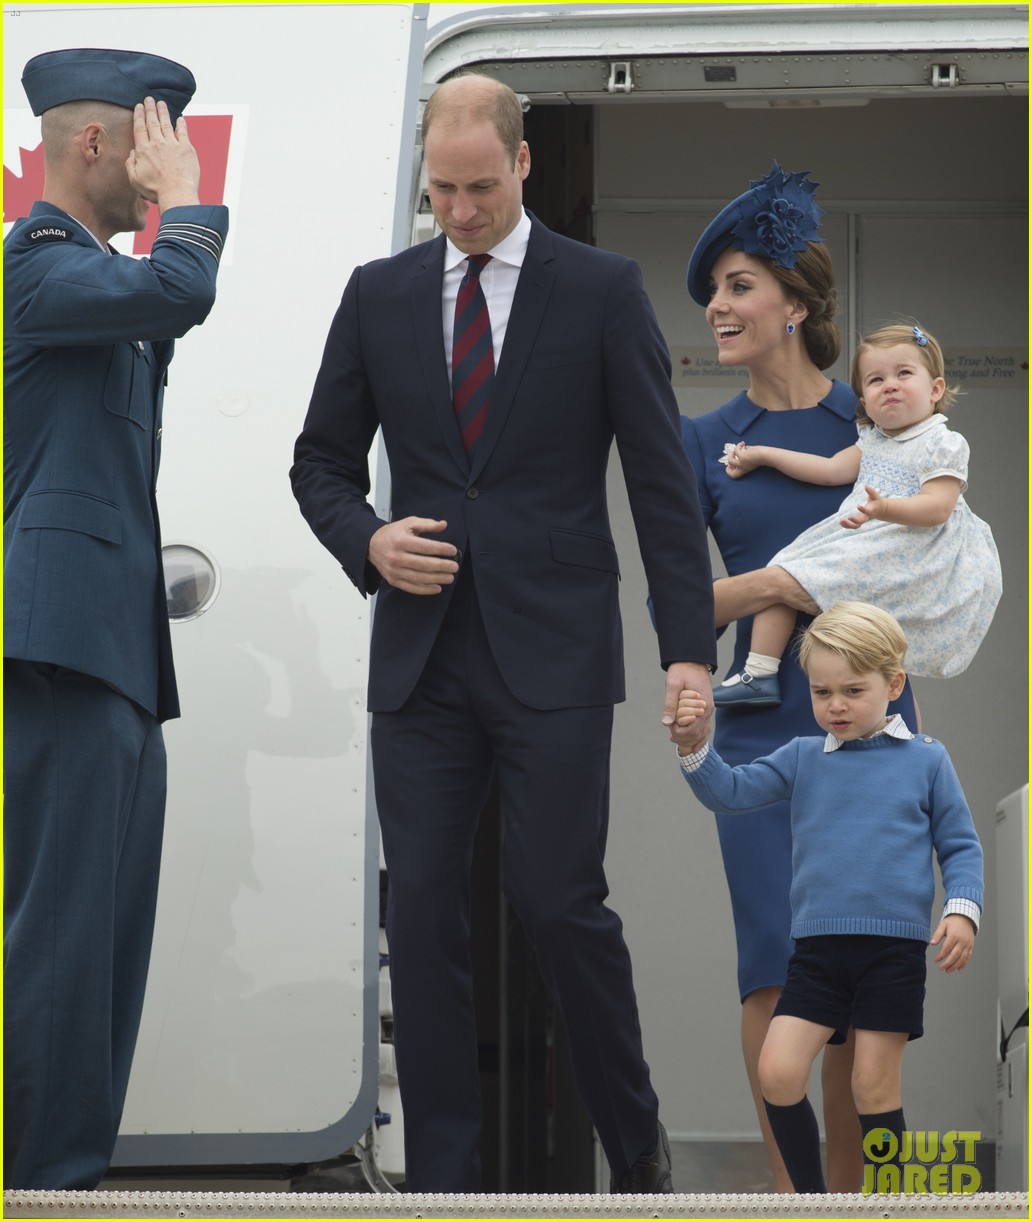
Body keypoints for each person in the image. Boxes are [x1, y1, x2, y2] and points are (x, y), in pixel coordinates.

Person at [290, 72, 717, 1193]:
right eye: (442, 190)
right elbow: (320, 463)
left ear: (522, 165)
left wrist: (687, 652)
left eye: (481, 187)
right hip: (423, 656)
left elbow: (664, 487)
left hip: (556, 650)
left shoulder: (602, 289)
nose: (463, 211)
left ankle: (637, 1148)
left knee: (555, 898)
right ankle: (447, 1179)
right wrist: (370, 543)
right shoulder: (378, 293)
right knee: (422, 902)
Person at [4, 48, 229, 1189]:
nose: (165, 163)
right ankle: (37, 1184)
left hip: (115, 655)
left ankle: (67, 1174)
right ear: (91, 142)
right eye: (150, 139)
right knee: (56, 940)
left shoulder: (90, 278)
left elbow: (164, 309)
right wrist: (185, 205)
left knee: (101, 946)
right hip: (55, 647)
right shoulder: (35, 266)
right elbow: (182, 287)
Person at [674, 161, 918, 1191]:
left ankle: (865, 1205)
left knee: (861, 972)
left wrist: (790, 581)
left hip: (874, 733)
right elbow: (678, 602)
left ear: (796, 305)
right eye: (715, 293)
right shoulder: (703, 442)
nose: (718, 308)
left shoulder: (877, 433)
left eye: (737, 287)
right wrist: (785, 581)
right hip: (759, 729)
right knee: (775, 959)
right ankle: (793, 1205)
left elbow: (920, 566)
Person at [671, 601, 984, 1193]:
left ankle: (886, 1202)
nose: (835, 705)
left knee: (872, 1086)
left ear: (894, 684)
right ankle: (811, 1204)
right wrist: (695, 746)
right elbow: (731, 793)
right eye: (821, 692)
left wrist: (962, 912)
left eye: (852, 690)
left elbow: (961, 847)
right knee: (778, 1072)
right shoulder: (801, 757)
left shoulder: (927, 760)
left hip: (891, 955)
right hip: (816, 953)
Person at [712, 322, 1001, 707]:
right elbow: (829, 469)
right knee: (788, 565)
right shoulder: (873, 440)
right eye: (876, 380)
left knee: (798, 585)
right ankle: (760, 672)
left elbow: (937, 508)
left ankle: (859, 699)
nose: (891, 385)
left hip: (906, 550)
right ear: (864, 401)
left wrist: (885, 508)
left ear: (935, 390)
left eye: (904, 373)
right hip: (863, 539)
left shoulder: (941, 443)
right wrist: (764, 455)